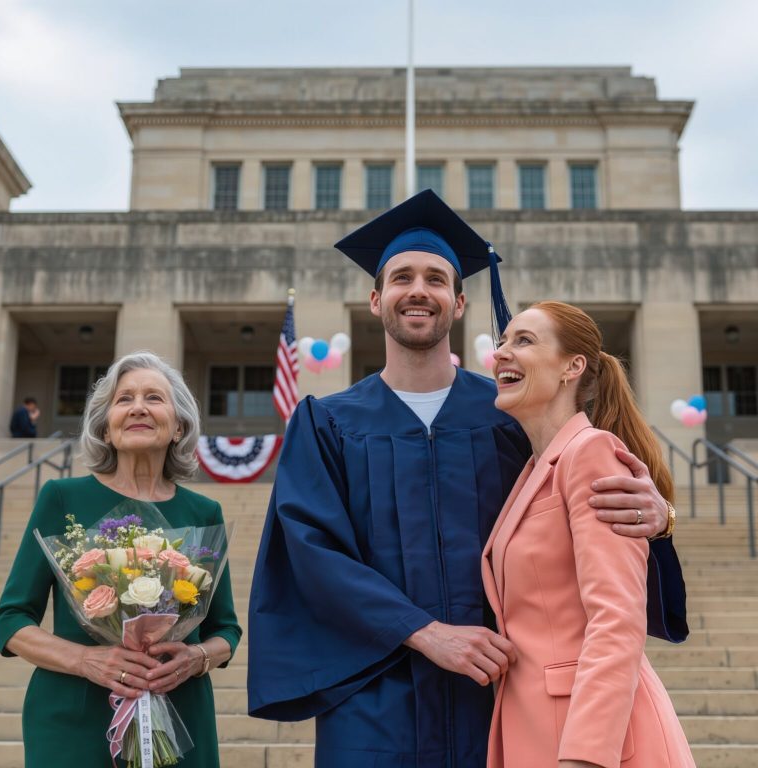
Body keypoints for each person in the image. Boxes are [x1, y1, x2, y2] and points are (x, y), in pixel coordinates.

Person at [248, 190, 686, 768]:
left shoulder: (511, 414)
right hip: (374, 695)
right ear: (376, 299)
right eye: (402, 277)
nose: (418, 290)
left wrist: (659, 519)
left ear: (458, 304)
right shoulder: (327, 424)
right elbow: (311, 552)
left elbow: (585, 509)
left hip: (502, 694)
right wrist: (424, 631)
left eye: (436, 278)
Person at [0, 352, 241, 767]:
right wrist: (86, 659)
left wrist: (196, 658)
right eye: (124, 399)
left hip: (180, 714)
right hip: (75, 718)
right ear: (106, 428)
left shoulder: (204, 513)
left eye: (154, 398)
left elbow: (226, 630)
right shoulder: (61, 498)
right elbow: (10, 620)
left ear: (179, 426)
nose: (138, 407)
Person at [483, 301, 694, 767]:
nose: (501, 353)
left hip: (592, 743)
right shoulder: (534, 468)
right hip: (535, 728)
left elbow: (617, 618)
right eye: (502, 341)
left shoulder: (590, 453)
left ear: (572, 367)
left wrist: (586, 757)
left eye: (524, 341)